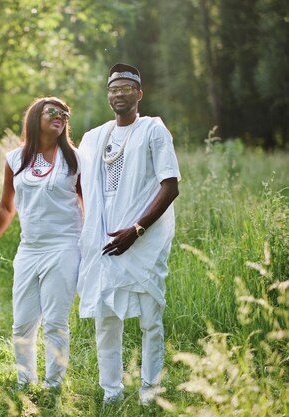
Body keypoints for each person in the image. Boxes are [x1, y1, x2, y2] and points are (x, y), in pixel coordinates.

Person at [76, 63, 180, 405]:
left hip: (143, 238)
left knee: (151, 317)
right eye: (113, 89)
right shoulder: (95, 137)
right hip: (105, 238)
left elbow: (170, 186)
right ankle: (111, 391)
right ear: (108, 96)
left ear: (139, 94)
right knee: (106, 318)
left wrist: (136, 230)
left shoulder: (153, 130)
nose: (119, 94)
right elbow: (75, 176)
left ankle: (151, 391)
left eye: (125, 88)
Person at [0, 97, 82, 391]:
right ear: (35, 118)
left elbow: (88, 204)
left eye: (64, 113)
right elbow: (6, 209)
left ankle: (53, 386)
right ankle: (25, 381)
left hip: (65, 246)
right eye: (52, 111)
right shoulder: (15, 160)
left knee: (56, 322)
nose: (60, 116)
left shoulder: (76, 159)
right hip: (29, 249)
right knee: (22, 323)